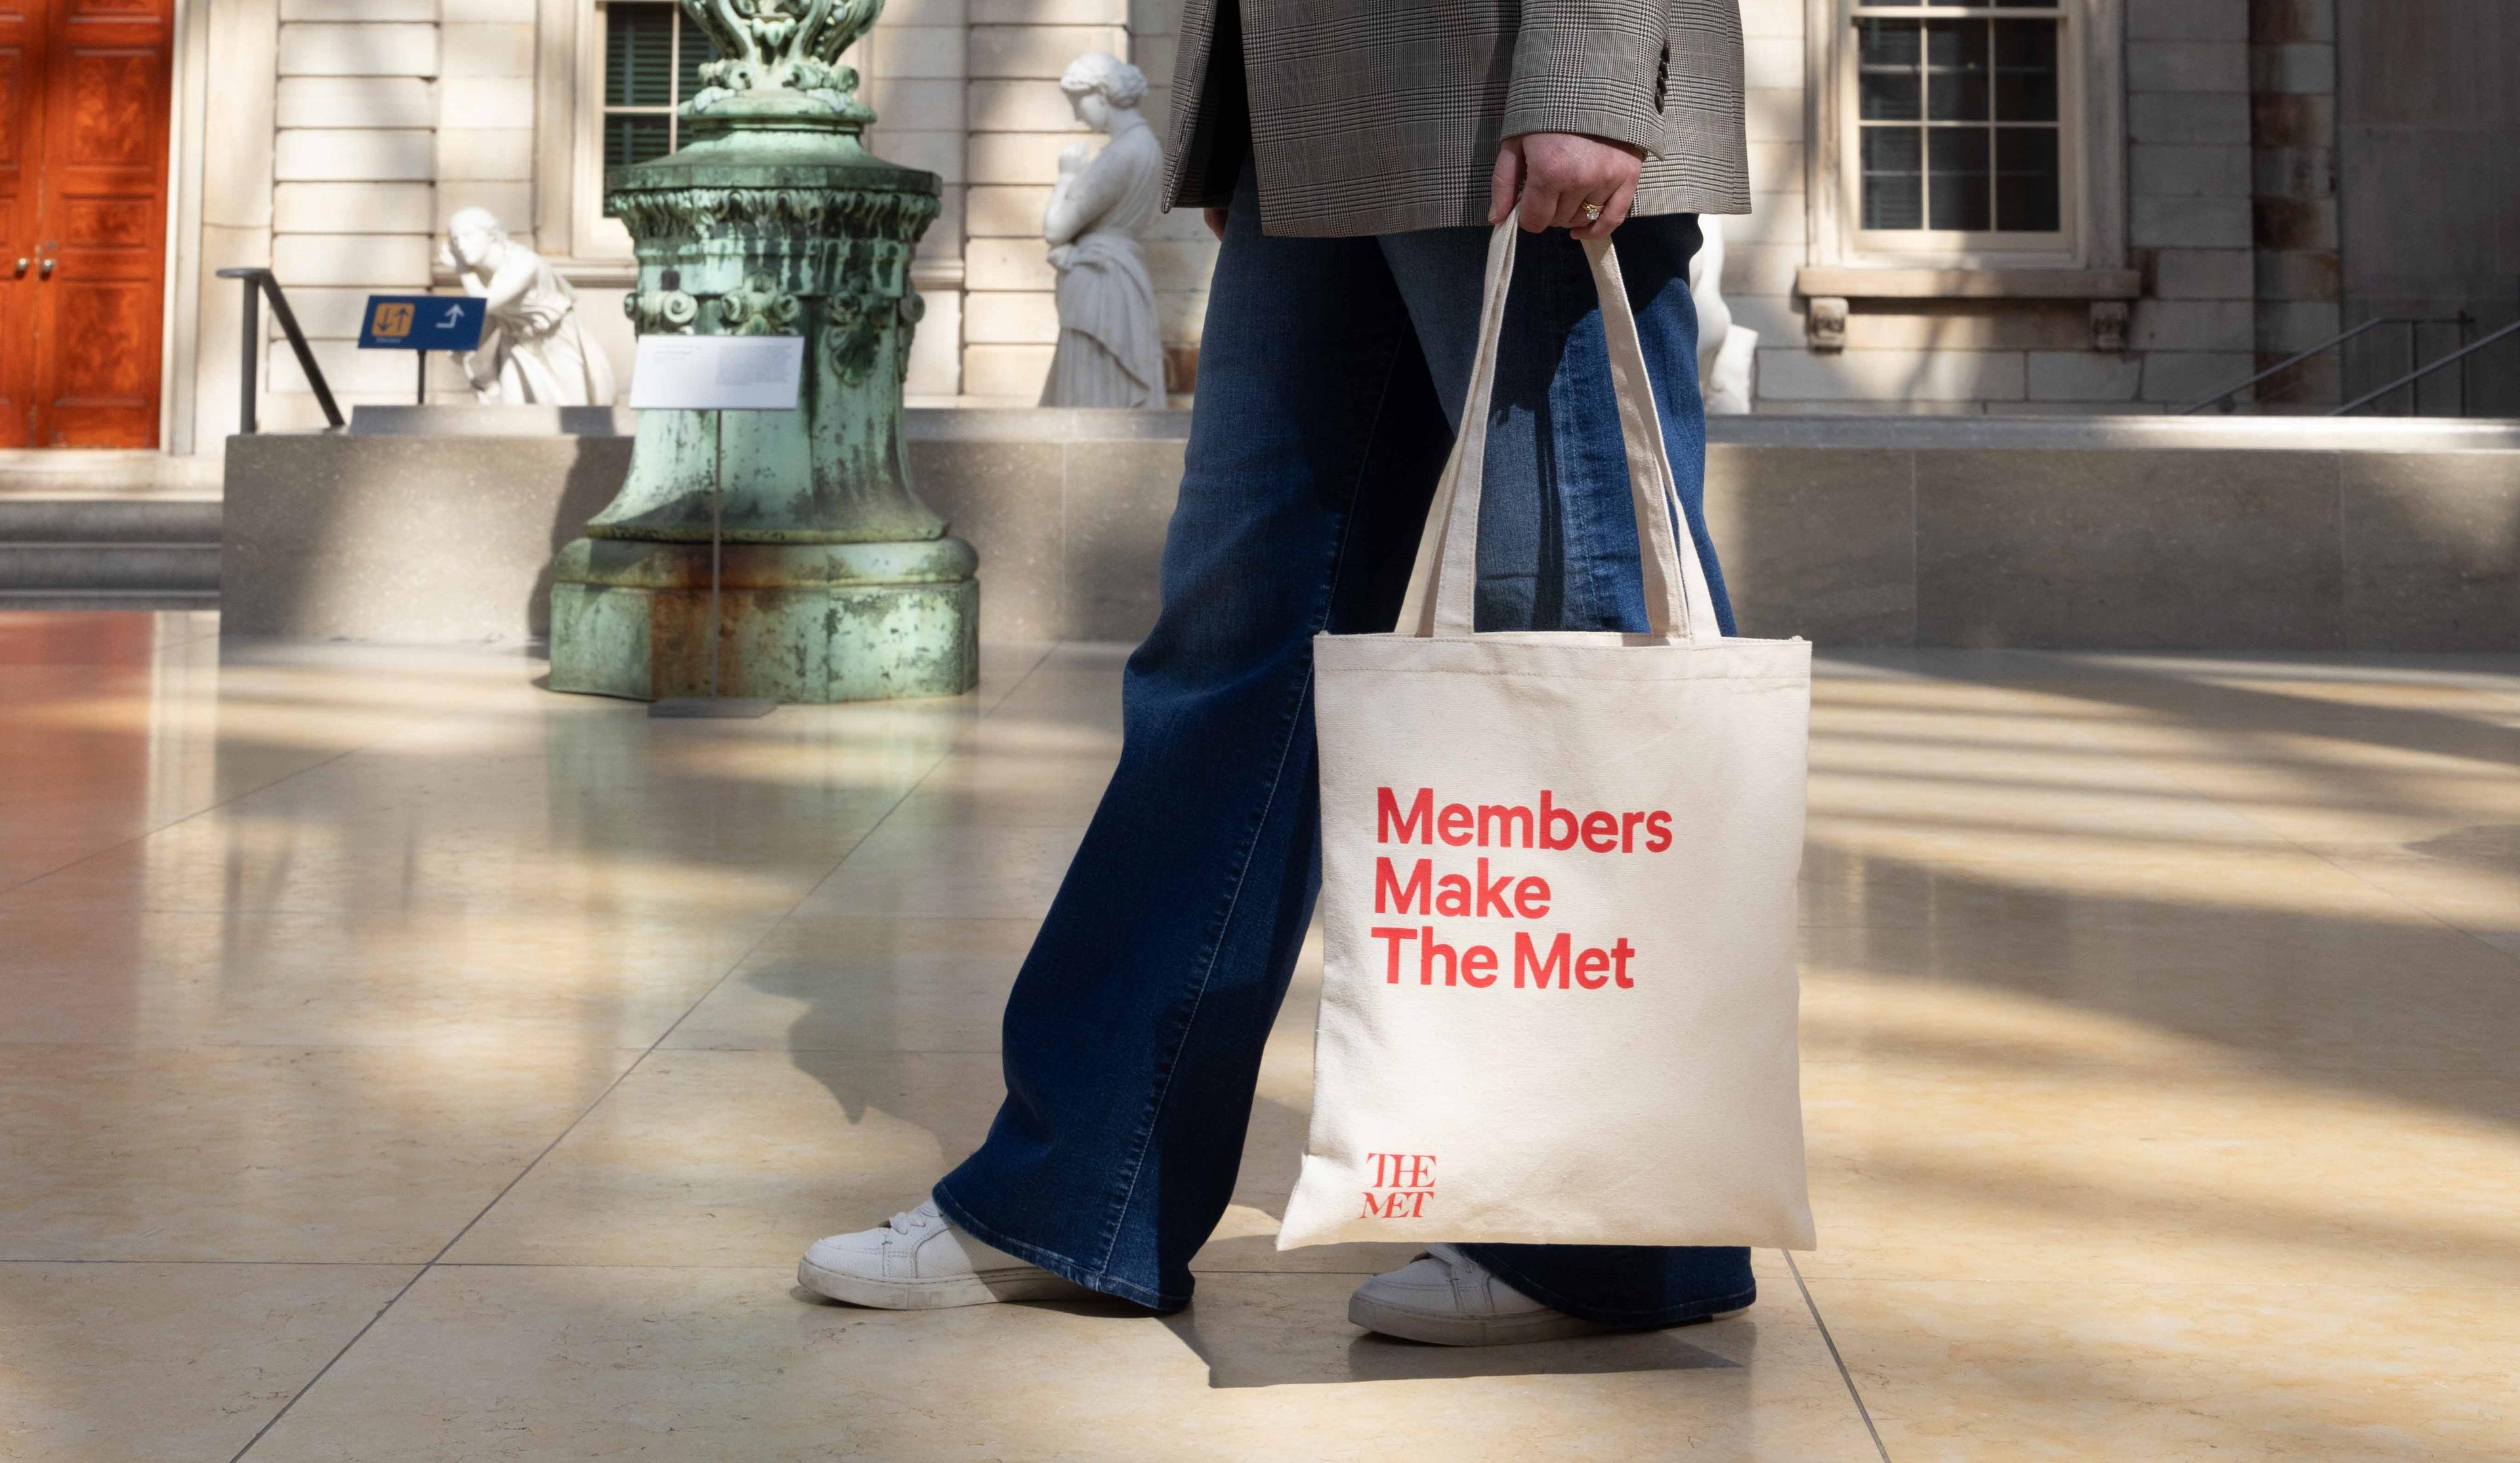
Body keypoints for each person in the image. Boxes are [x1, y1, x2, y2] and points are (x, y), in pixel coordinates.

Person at [801, 0, 1753, 1346]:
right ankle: (1086, 1189)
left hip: (1507, 83)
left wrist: (1594, 68)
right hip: (1309, 110)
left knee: (1575, 636)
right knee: (1236, 646)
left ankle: (1603, 1233)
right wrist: (1227, 124)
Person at [1038, 53, 1167, 408]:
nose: (1077, 115)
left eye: (1077, 103)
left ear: (1099, 94)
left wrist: (1066, 174)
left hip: (1100, 289)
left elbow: (1054, 228)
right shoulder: (1147, 147)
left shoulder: (1121, 154)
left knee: (1093, 398)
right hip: (1119, 279)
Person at [438, 208, 616, 407]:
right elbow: (495, 317)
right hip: (516, 345)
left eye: (468, 236)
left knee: (571, 413)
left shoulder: (523, 263)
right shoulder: (481, 273)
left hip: (556, 342)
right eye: (455, 240)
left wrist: (463, 272)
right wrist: (468, 344)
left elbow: (485, 306)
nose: (461, 246)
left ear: (491, 235)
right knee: (512, 411)